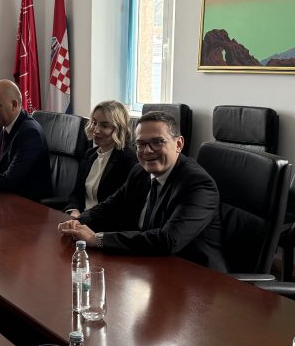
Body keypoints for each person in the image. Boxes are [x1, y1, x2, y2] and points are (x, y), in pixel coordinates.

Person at [58, 111, 226, 269]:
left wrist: (98, 239)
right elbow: (110, 206)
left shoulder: (198, 184)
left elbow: (168, 240)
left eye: (157, 142)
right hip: (146, 263)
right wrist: (78, 222)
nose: (147, 151)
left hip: (193, 274)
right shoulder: (140, 171)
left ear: (179, 144)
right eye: (140, 144)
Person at [63, 100, 139, 218]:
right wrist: (74, 211)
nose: (96, 130)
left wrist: (83, 219)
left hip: (104, 224)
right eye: (94, 122)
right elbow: (76, 194)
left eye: (104, 126)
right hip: (80, 219)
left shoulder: (128, 159)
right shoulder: (90, 155)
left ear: (118, 128)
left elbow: (118, 207)